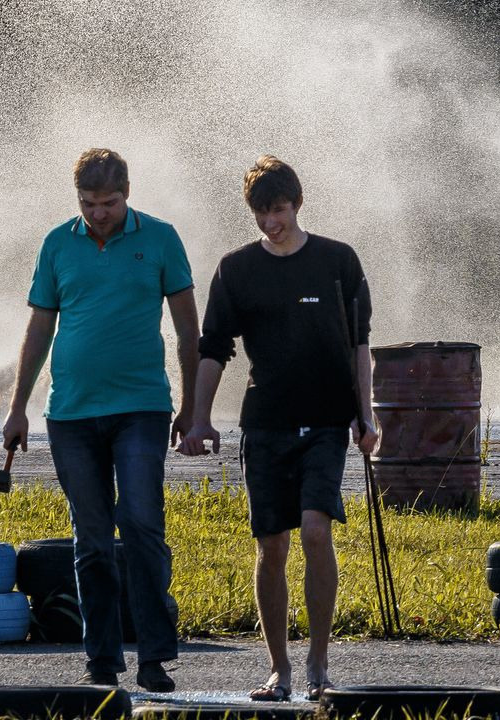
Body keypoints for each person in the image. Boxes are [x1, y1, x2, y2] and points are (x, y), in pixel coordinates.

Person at [178, 155, 377, 702]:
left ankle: (318, 664)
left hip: (327, 420)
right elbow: (214, 349)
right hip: (265, 423)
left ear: (298, 203)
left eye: (280, 210)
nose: (272, 223)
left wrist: (367, 414)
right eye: (262, 214)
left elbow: (359, 344)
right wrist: (199, 418)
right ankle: (279, 669)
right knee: (272, 545)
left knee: (315, 530)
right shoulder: (236, 269)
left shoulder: (337, 261)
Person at [3, 148, 200, 692]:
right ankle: (102, 662)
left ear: (127, 194)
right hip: (70, 414)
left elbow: (188, 331)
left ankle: (155, 657)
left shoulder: (160, 239)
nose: (98, 214)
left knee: (140, 524)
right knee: (90, 538)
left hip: (141, 409)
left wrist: (191, 407)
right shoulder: (57, 243)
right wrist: (18, 407)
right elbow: (40, 328)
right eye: (88, 204)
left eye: (108, 203)